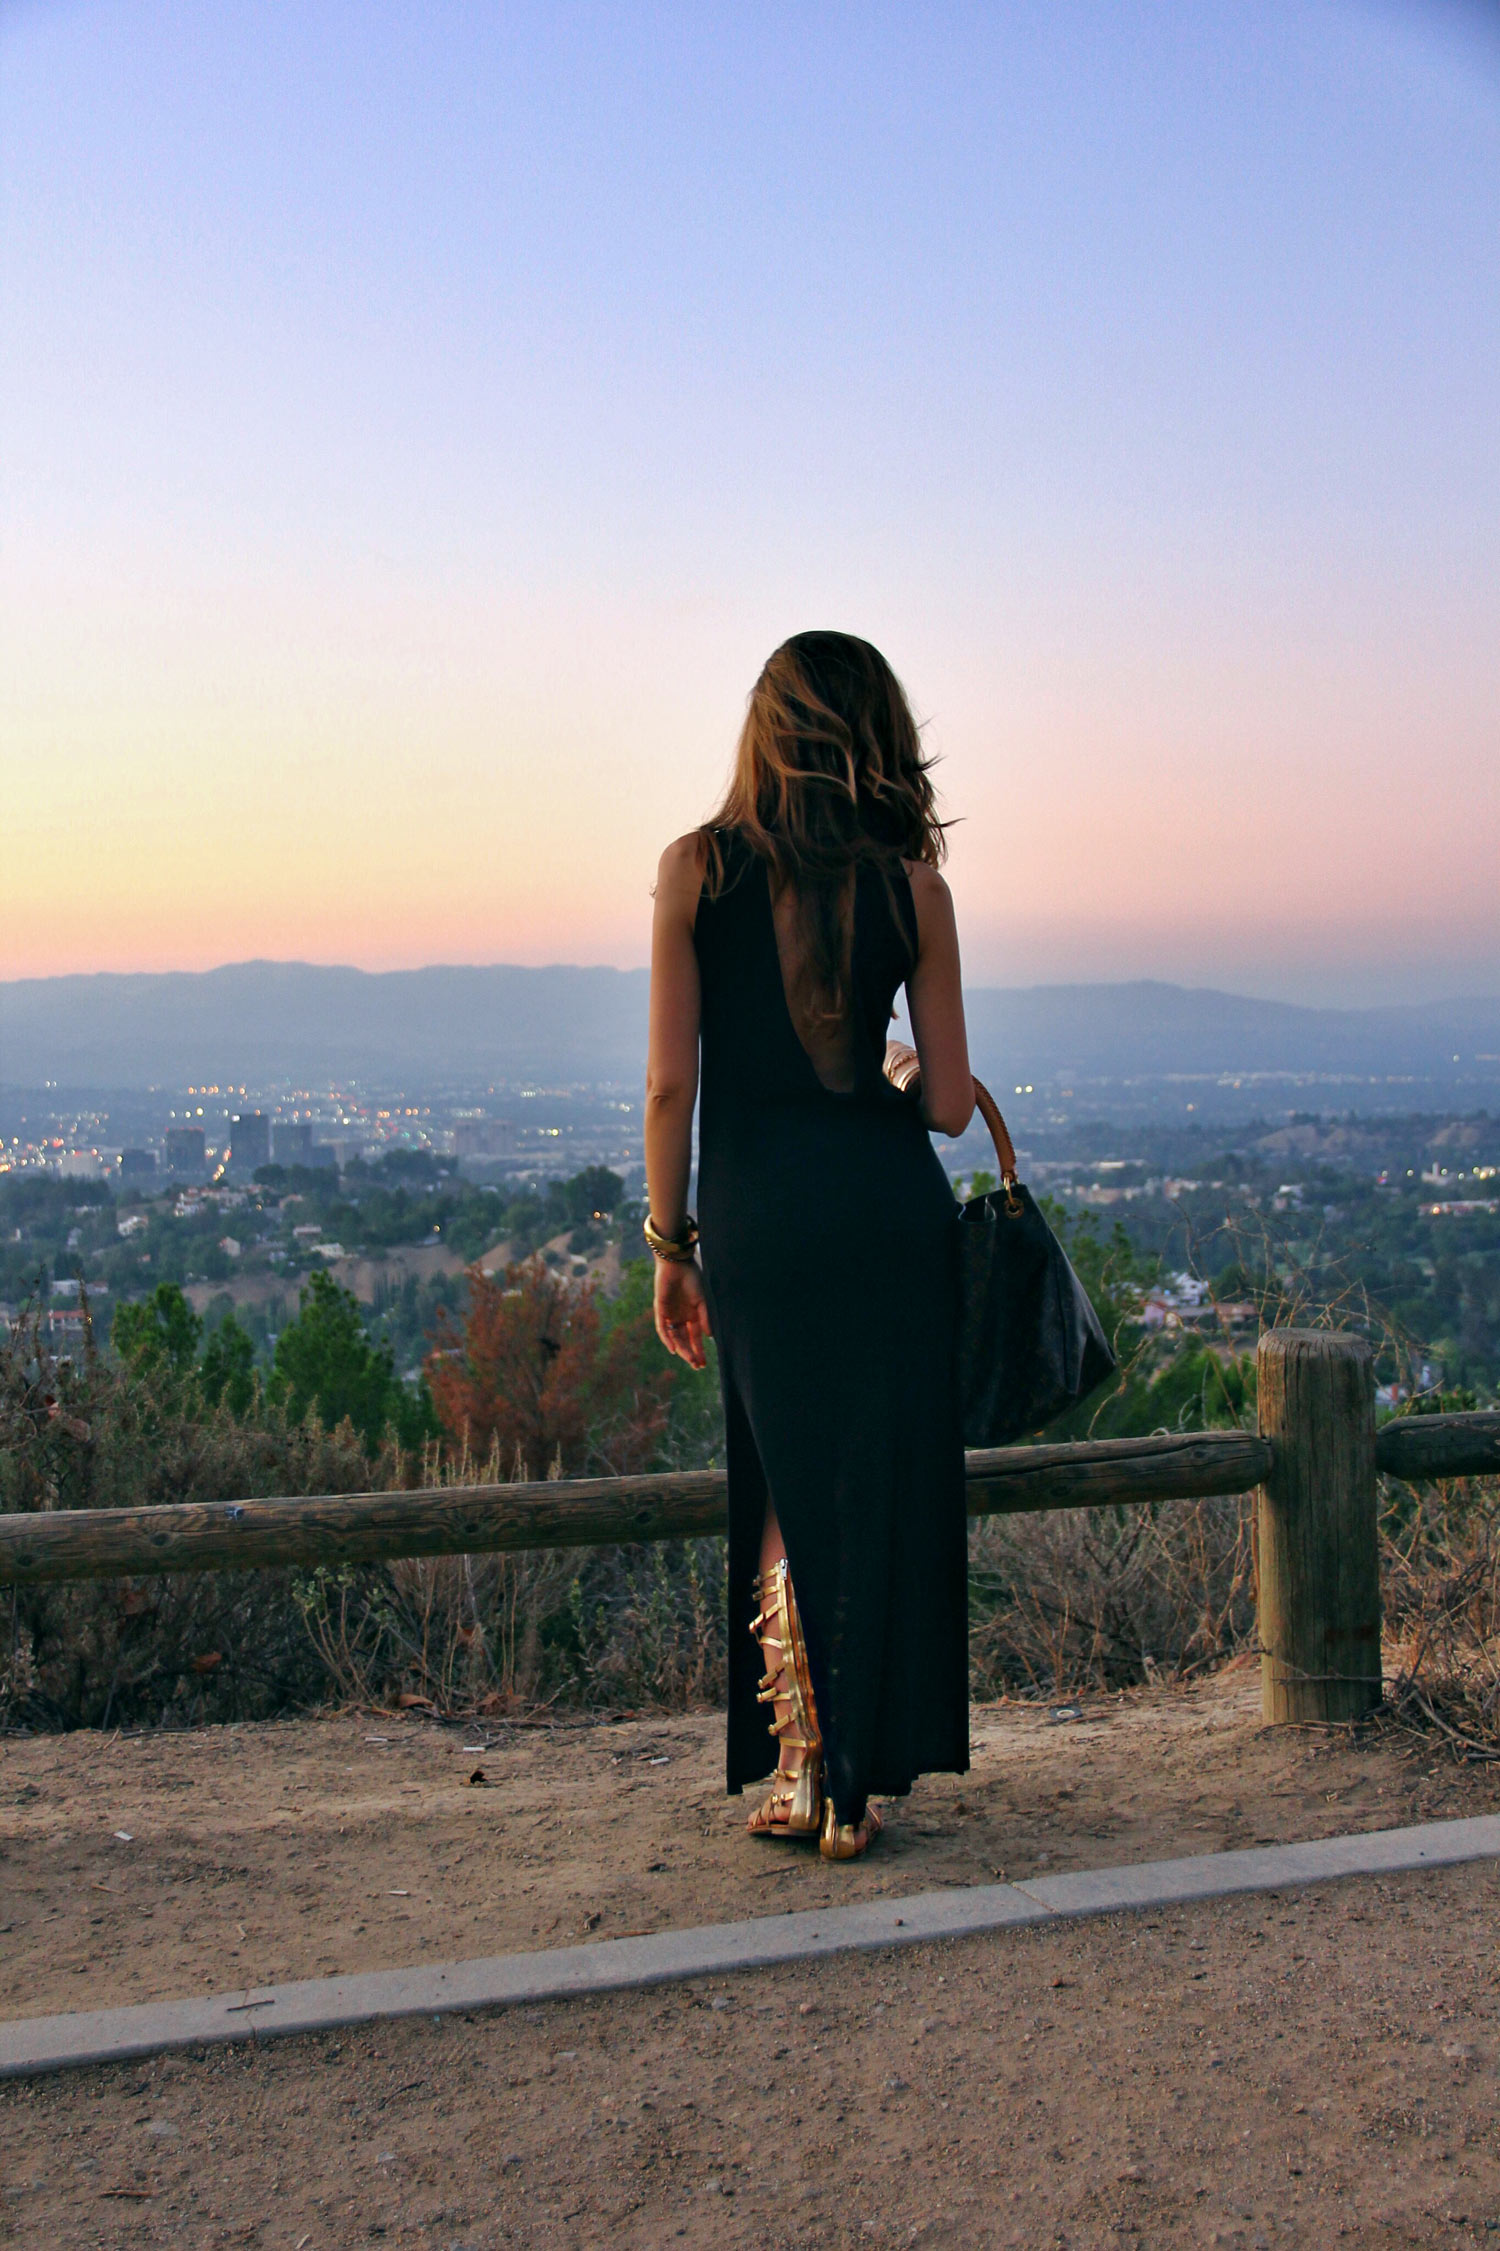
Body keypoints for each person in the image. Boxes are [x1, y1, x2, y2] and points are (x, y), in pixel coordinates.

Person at [644, 631, 975, 1861]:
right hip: (890, 1219)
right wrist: (887, 1065)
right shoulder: (916, 889)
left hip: (759, 1224)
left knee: (785, 1481)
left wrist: (671, 1243)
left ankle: (805, 1777)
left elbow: (671, 1086)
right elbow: (945, 1106)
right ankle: (861, 1782)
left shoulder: (694, 871)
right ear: (877, 736)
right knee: (874, 1483)